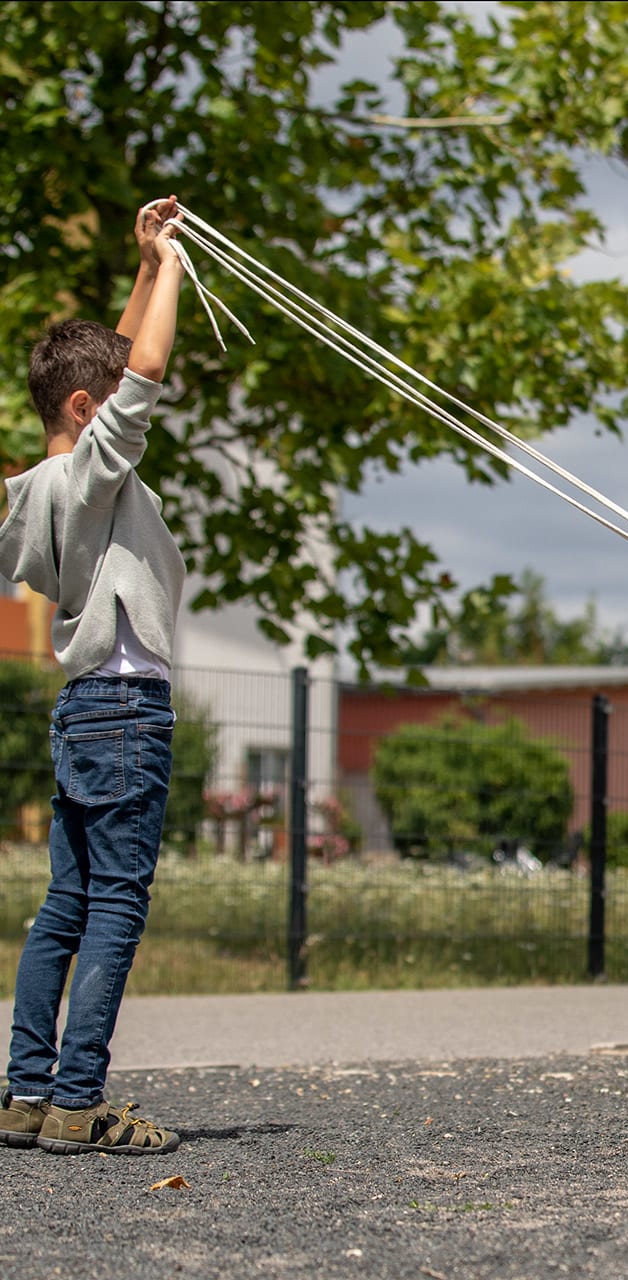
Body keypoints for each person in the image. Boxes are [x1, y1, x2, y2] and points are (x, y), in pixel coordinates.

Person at [0, 197, 190, 1155]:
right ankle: (79, 1100)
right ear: (88, 411)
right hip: (127, 707)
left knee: (65, 905)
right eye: (105, 403)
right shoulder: (94, 478)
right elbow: (142, 370)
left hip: (83, 708)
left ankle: (27, 1095)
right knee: (116, 904)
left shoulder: (35, 492)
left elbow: (115, 363)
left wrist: (149, 264)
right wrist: (184, 274)